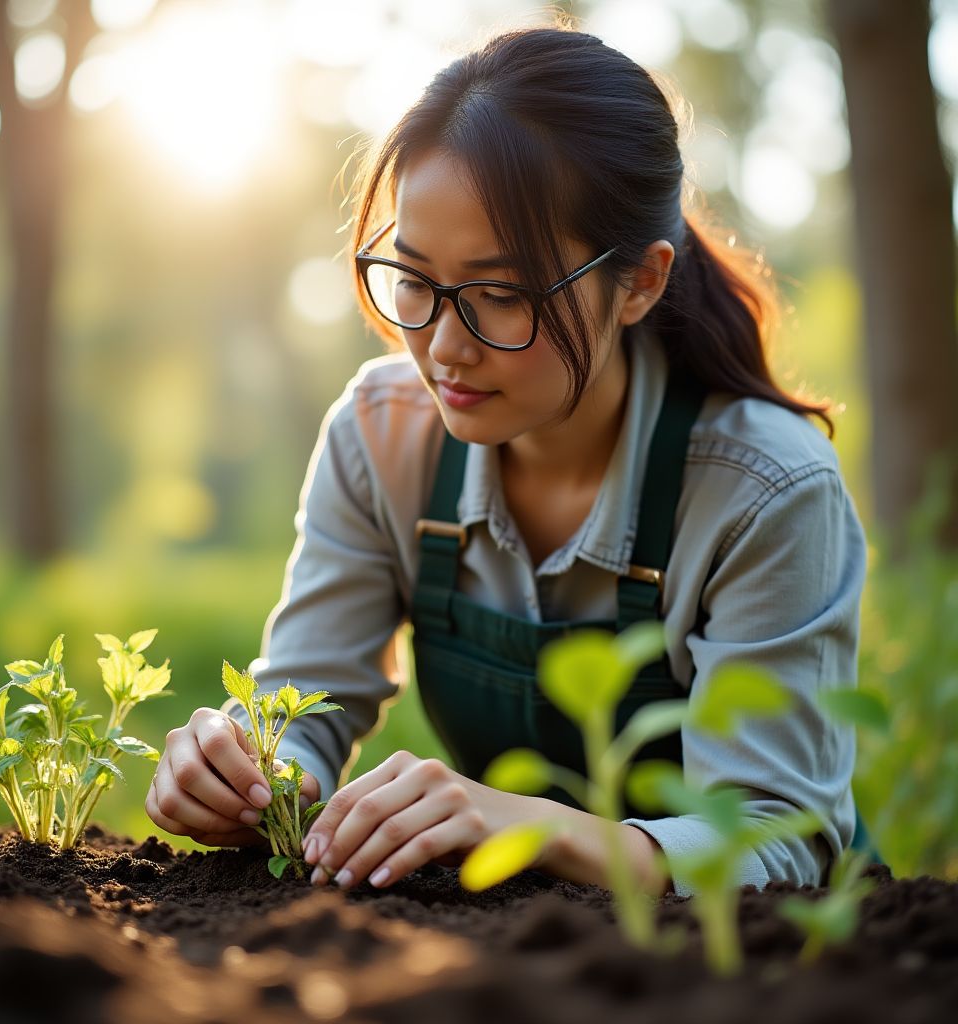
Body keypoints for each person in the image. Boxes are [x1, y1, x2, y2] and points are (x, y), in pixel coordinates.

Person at [146, 23, 866, 897]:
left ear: (639, 280)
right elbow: (306, 699)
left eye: (499, 295)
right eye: (414, 279)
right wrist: (255, 776)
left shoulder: (764, 490)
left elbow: (777, 838)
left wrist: (519, 823)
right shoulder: (381, 433)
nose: (444, 346)